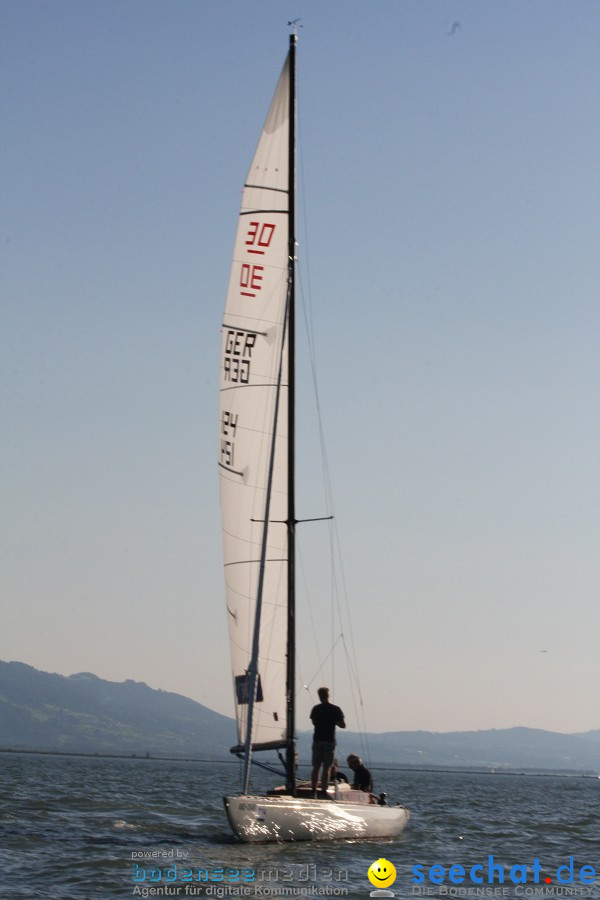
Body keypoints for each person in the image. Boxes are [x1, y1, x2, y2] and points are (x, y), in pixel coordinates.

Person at [310, 687, 345, 797]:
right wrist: (334, 722)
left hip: (317, 740)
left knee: (316, 767)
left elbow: (314, 722)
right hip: (329, 741)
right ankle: (323, 791)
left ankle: (314, 790)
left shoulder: (316, 709)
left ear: (319, 696)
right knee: (326, 768)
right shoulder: (335, 709)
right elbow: (343, 725)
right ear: (328, 695)